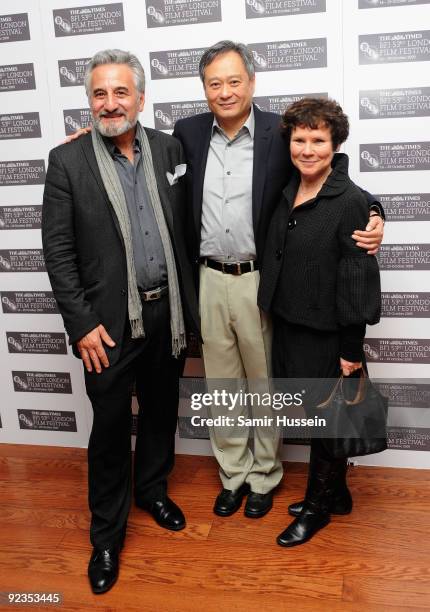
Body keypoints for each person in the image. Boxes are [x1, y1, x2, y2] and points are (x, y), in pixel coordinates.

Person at [172, 41, 384, 519]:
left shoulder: (279, 132)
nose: (225, 92)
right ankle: (234, 475)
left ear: (251, 82)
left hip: (260, 281)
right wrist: (86, 138)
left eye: (234, 81)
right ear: (204, 88)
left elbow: (330, 166)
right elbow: (138, 155)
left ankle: (265, 475)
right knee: (222, 386)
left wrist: (374, 211)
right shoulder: (184, 133)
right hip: (207, 279)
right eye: (214, 83)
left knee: (265, 384)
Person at [42, 49, 199, 594]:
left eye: (120, 92)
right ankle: (106, 535)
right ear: (89, 101)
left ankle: (152, 490)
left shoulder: (170, 149)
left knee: (159, 411)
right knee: (110, 429)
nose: (110, 104)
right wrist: (81, 324)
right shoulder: (67, 162)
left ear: (140, 97)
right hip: (107, 325)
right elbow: (58, 254)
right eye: (99, 94)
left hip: (168, 314)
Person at [258, 97, 381, 546]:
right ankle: (339, 495)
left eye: (318, 140)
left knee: (328, 421)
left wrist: (351, 348)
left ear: (336, 145)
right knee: (317, 418)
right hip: (290, 324)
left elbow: (357, 279)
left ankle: (316, 510)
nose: (307, 149)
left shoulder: (348, 201)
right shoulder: (289, 186)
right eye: (299, 139)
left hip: (329, 335)